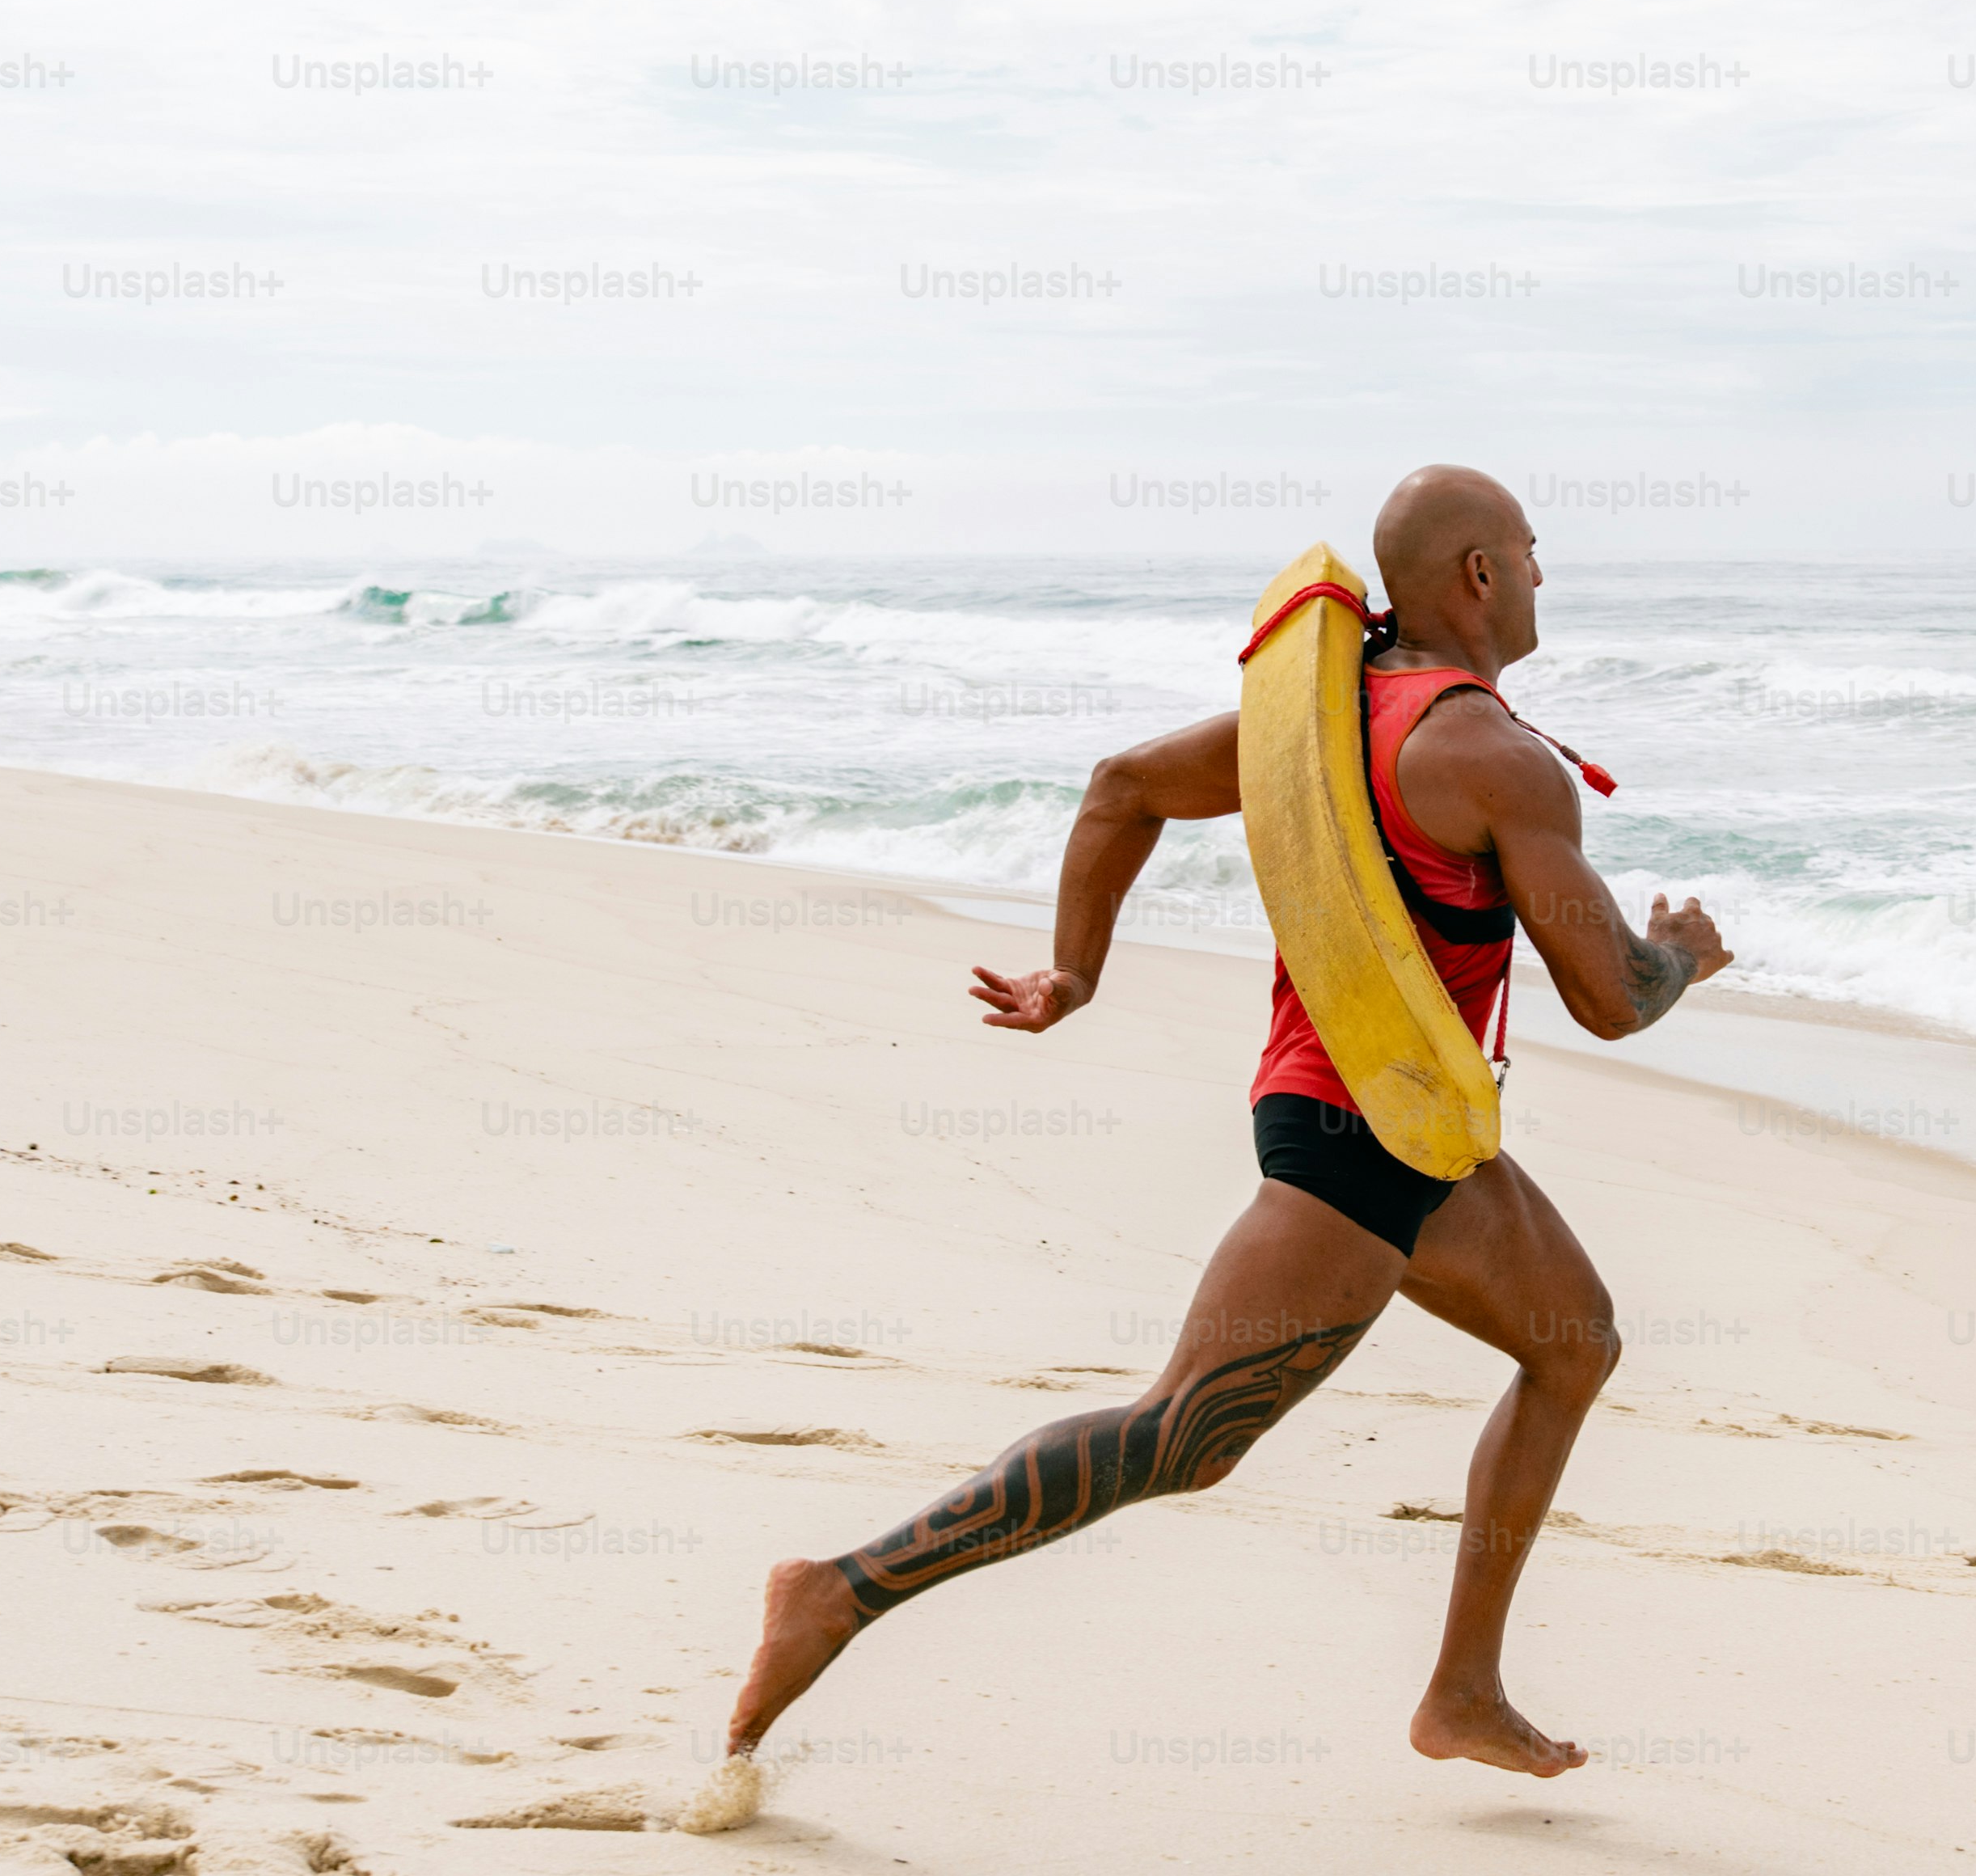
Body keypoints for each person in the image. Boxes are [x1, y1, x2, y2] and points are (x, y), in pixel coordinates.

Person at [722, 467, 1731, 1778]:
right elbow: (1610, 1001)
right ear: (1478, 574)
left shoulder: (1316, 719)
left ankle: (1464, 1694)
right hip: (1357, 1141)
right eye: (1533, 553)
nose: (1546, 576)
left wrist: (1074, 972)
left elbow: (1122, 786)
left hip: (1402, 1125)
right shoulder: (1497, 758)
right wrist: (1681, 954)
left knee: (1573, 1342)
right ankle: (840, 1588)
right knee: (1184, 1436)